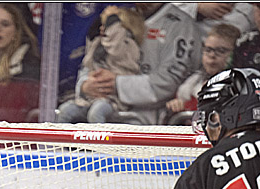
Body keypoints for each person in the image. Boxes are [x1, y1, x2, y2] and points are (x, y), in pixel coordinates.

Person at [71, 2, 200, 126]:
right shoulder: (120, 16)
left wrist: (117, 84)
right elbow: (92, 60)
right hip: (100, 106)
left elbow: (168, 83)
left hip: (150, 121)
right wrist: (85, 85)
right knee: (66, 114)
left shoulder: (181, 26)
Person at [57, 6, 146, 125]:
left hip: (113, 101)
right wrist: (95, 30)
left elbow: (115, 48)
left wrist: (113, 20)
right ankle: (61, 144)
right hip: (90, 99)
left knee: (96, 112)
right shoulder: (101, 43)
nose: (104, 29)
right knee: (65, 111)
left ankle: (98, 144)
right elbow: (87, 62)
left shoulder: (128, 46)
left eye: (109, 26)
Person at [166, 22, 239, 123]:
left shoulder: (238, 84)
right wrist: (176, 106)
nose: (212, 55)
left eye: (221, 51)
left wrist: (186, 106)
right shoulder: (193, 80)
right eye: (208, 49)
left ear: (235, 53)